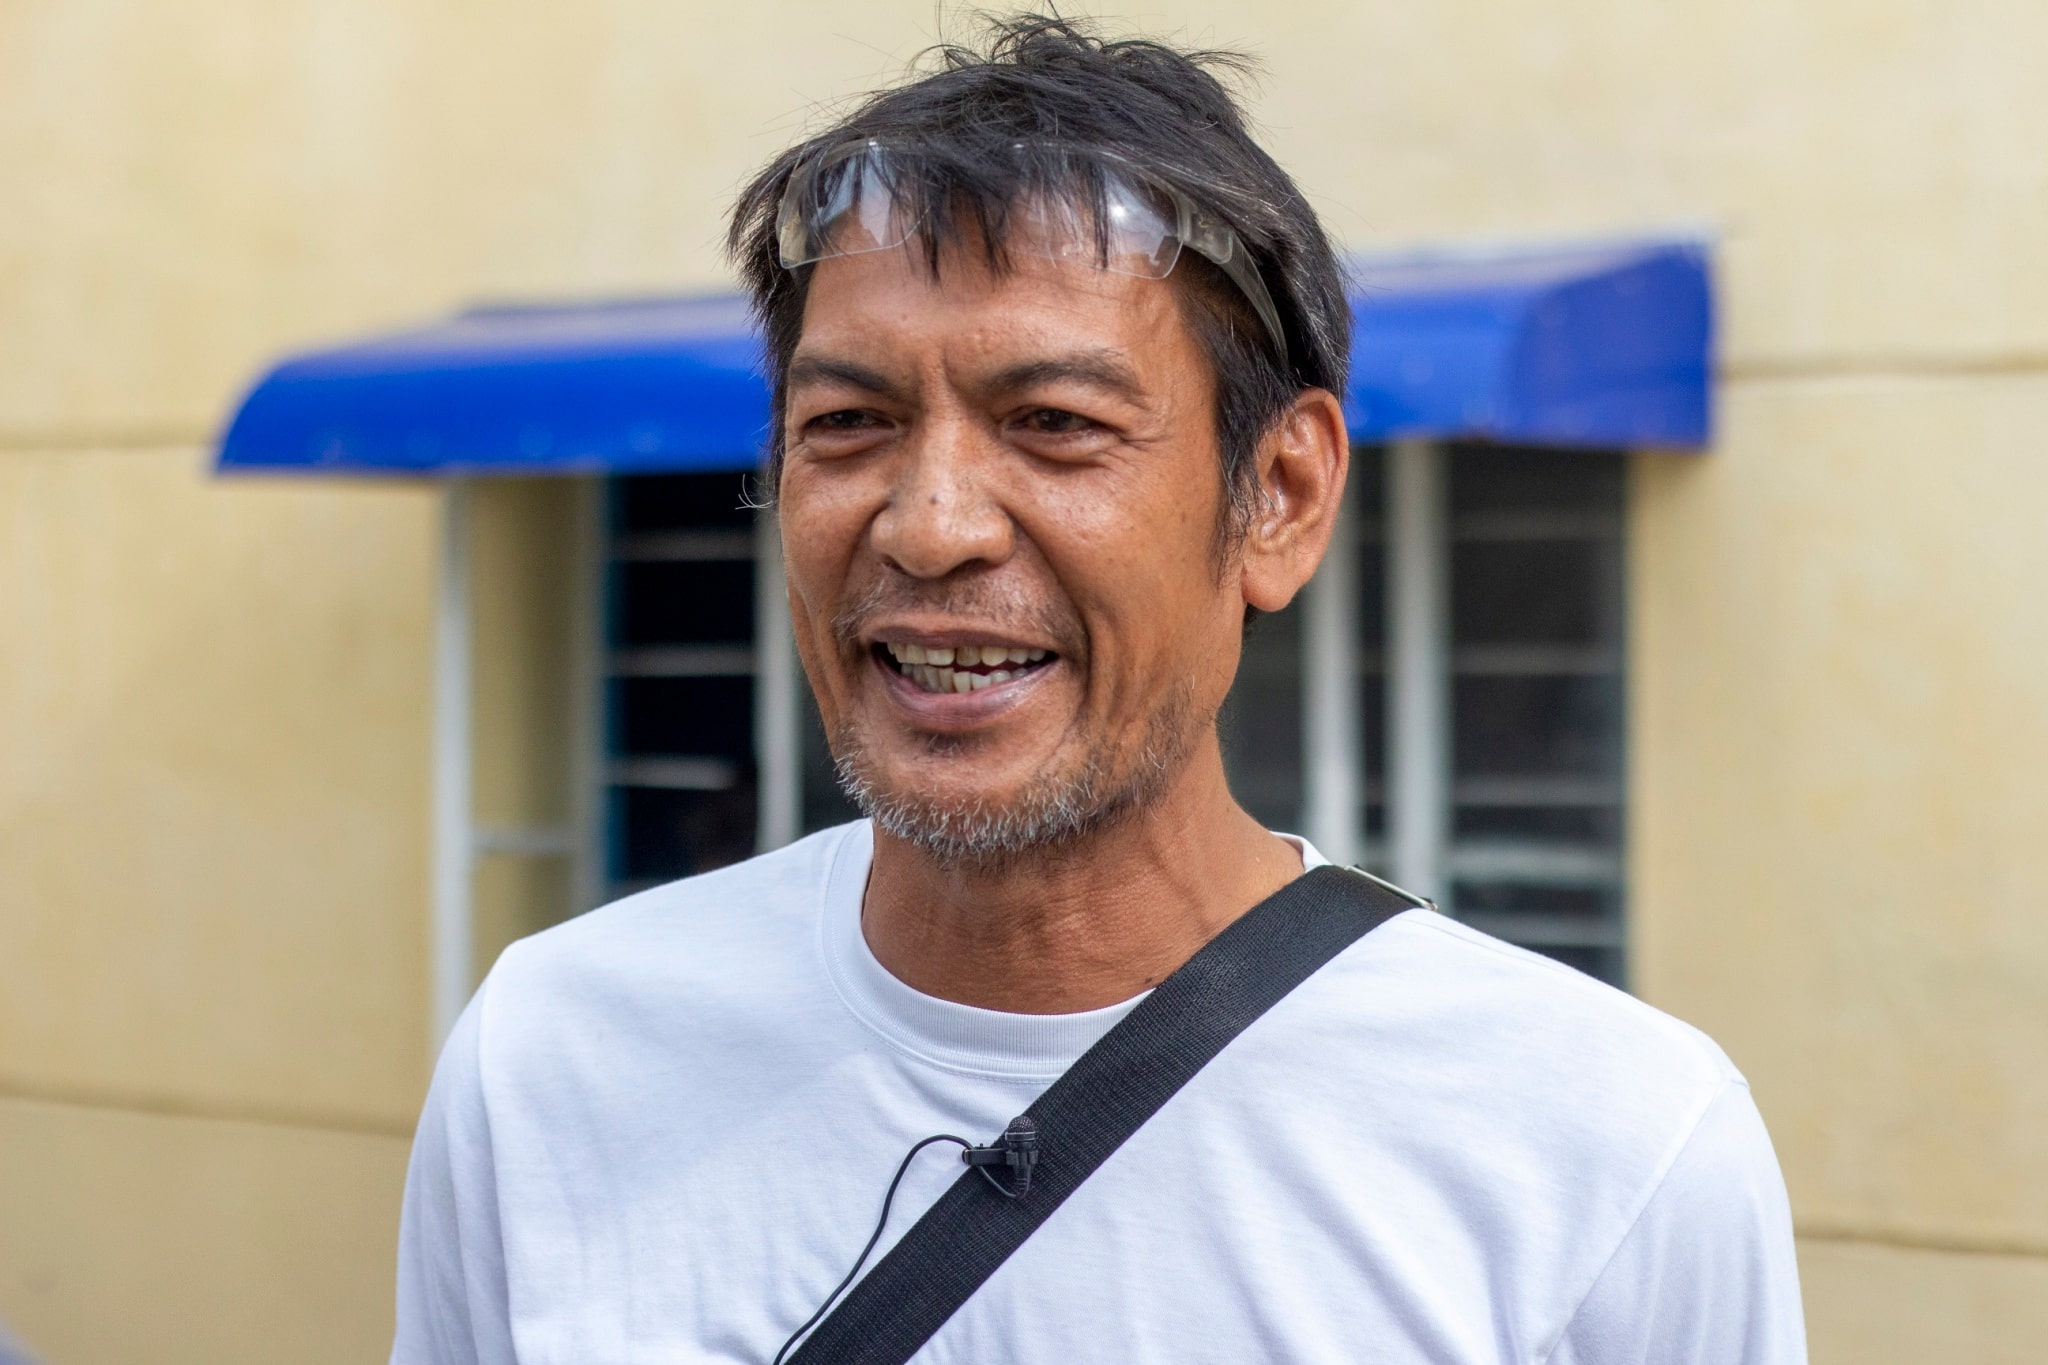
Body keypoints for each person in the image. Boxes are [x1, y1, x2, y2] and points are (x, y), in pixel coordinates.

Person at [392, 15, 1806, 1363]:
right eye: (847, 425)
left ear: (1281, 497)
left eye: (1056, 424)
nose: (930, 524)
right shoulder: (555, 1057)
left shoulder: (1611, 1151)